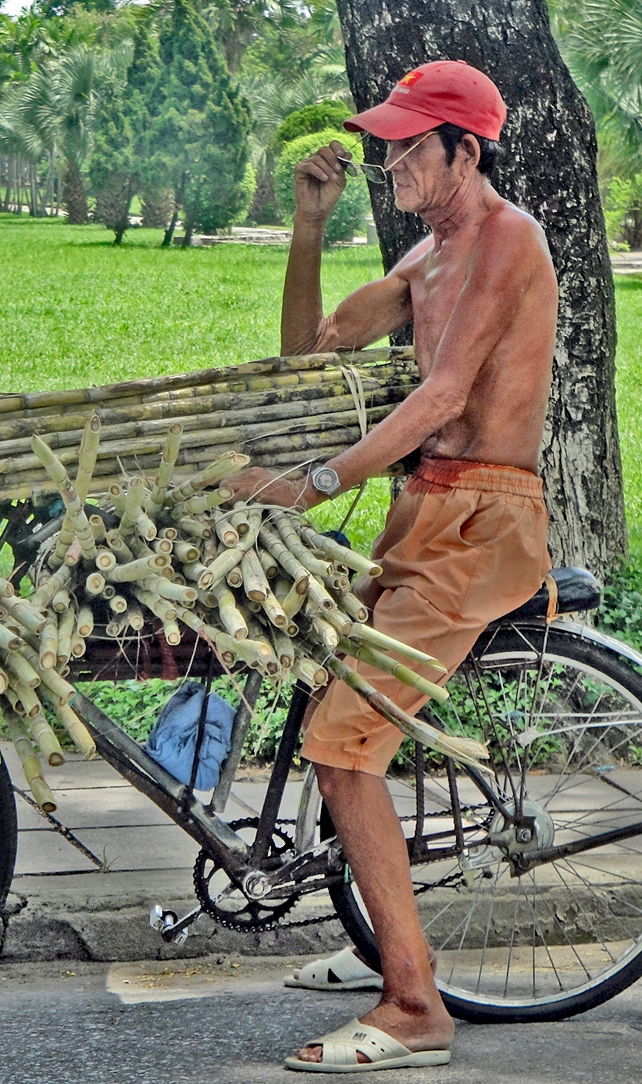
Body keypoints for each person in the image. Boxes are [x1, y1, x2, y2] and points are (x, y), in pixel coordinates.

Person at [224, 60, 558, 1072]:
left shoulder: (507, 239)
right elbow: (310, 354)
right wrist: (309, 225)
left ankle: (414, 1005)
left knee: (340, 742)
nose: (392, 162)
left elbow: (445, 395)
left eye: (410, 147)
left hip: (484, 521)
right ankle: (380, 931)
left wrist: (313, 484)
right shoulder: (427, 256)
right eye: (387, 146)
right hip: (422, 513)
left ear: (466, 150)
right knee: (324, 679)